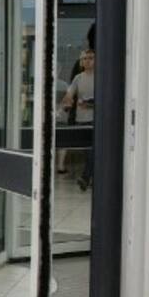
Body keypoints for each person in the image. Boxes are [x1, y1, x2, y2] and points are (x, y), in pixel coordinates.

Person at [61, 47, 96, 190]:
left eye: (91, 58)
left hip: (95, 120)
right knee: (89, 152)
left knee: (92, 151)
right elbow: (69, 95)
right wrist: (67, 101)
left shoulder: (100, 77)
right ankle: (92, 177)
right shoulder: (78, 78)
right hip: (81, 119)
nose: (87, 61)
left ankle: (85, 177)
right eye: (85, 59)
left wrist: (90, 104)